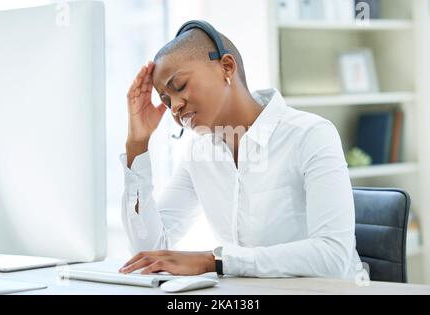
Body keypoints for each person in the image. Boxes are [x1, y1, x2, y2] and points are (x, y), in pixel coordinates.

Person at [118, 24, 363, 279]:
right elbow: (148, 253)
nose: (175, 107)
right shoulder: (199, 153)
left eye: (179, 86)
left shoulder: (311, 135)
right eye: (166, 100)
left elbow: (333, 256)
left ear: (226, 67)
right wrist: (137, 142)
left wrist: (215, 261)